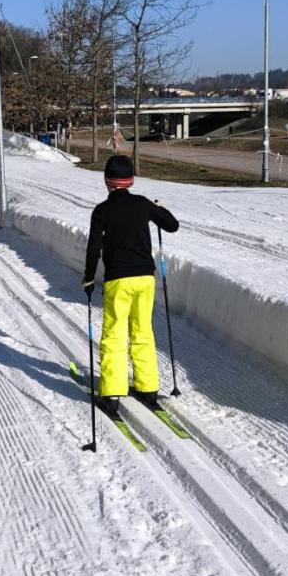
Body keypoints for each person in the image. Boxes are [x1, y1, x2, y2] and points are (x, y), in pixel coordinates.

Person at [82, 154, 179, 417]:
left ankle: (112, 394)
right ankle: (147, 388)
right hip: (146, 280)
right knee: (142, 331)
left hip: (118, 281)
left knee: (114, 334)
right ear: (131, 180)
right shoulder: (143, 204)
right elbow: (172, 226)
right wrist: (160, 208)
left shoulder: (102, 210)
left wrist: (89, 278)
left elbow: (94, 249)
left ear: (106, 181)